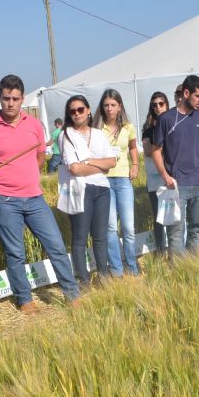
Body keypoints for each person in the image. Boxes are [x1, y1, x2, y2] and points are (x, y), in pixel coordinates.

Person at [0, 75, 80, 314]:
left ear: (23, 99)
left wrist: (27, 175)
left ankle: (72, 294)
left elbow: (41, 156)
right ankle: (25, 300)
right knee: (15, 252)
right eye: (5, 98)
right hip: (4, 200)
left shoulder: (34, 125)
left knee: (55, 245)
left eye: (15, 98)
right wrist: (2, 180)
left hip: (35, 198)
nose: (10, 103)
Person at [58, 95, 118, 284]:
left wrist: (90, 161)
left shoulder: (99, 133)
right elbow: (74, 168)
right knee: (80, 237)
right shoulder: (65, 135)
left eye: (80, 109)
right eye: (72, 111)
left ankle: (103, 276)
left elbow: (112, 163)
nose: (76, 114)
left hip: (102, 189)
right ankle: (83, 281)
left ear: (89, 110)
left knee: (100, 237)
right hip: (80, 189)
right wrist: (101, 166)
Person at [152, 74, 199, 257]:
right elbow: (156, 151)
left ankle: (191, 268)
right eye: (198, 96)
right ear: (186, 93)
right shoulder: (166, 119)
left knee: (196, 229)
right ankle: (178, 271)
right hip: (177, 186)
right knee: (176, 234)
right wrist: (165, 177)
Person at [93, 89, 139, 276]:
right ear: (102, 108)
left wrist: (135, 164)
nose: (110, 108)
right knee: (111, 227)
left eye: (113, 105)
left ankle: (133, 268)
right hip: (103, 180)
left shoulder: (128, 127)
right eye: (106, 105)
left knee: (128, 227)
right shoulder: (96, 129)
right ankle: (117, 271)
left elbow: (133, 148)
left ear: (120, 106)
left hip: (123, 179)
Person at [142, 92, 169, 255]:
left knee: (175, 215)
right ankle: (160, 250)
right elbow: (146, 151)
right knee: (159, 217)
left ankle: (175, 249)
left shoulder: (174, 124)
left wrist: (157, 149)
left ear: (166, 104)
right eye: (154, 104)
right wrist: (163, 150)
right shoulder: (148, 128)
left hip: (173, 176)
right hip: (155, 179)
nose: (158, 107)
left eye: (161, 103)